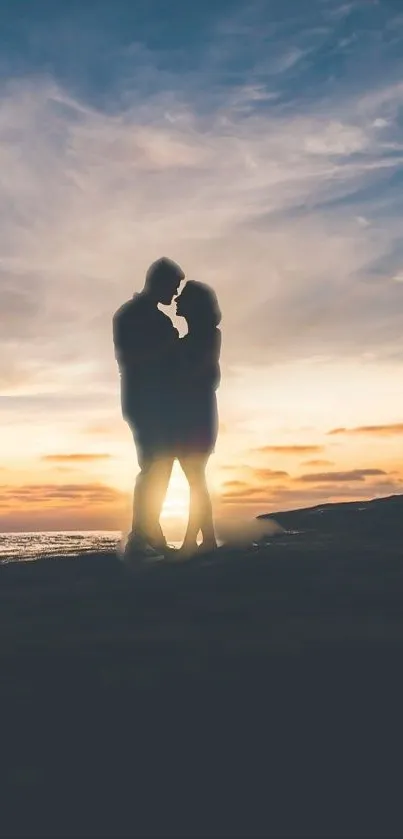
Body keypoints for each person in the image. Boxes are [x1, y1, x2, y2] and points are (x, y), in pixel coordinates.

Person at [113, 257, 184, 559]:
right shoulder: (130, 316)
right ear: (159, 282)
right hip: (144, 402)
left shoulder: (157, 319)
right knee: (152, 466)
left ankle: (149, 531)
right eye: (174, 286)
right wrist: (170, 346)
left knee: (160, 466)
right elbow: (133, 359)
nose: (176, 294)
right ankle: (141, 536)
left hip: (156, 402)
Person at [173, 281, 222, 557]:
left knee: (195, 478)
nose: (176, 300)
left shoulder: (209, 336)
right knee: (196, 478)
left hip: (198, 416)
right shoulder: (188, 340)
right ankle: (208, 539)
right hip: (189, 415)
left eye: (182, 297)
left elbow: (205, 375)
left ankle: (193, 541)